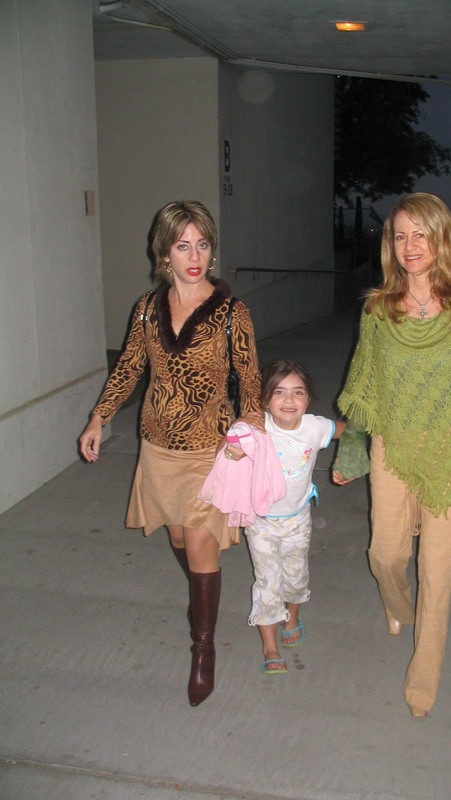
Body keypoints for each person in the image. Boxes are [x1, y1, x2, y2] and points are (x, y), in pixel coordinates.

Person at [332, 192, 451, 717]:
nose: (409, 246)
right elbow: (364, 388)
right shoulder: (378, 310)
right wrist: (351, 453)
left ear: (442, 239)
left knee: (438, 572)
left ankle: (423, 679)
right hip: (392, 446)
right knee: (385, 554)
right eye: (400, 236)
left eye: (420, 235)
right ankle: (397, 605)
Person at [78, 200, 262, 706]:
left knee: (200, 541)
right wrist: (99, 417)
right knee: (179, 537)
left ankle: (203, 647)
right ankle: (202, 598)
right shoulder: (146, 308)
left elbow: (249, 380)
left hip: (212, 448)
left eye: (202, 244)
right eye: (183, 246)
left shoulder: (231, 313)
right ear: (164, 254)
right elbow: (129, 368)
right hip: (159, 446)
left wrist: (249, 430)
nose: (195, 256)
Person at [225, 360, 345, 674]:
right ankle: (270, 645)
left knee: (296, 576)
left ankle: (292, 617)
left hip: (298, 519)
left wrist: (352, 458)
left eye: (298, 392)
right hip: (260, 521)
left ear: (309, 399)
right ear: (265, 399)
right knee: (268, 581)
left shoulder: (315, 427)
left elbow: (350, 431)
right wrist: (233, 449)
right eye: (279, 392)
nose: (289, 400)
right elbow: (232, 444)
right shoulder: (256, 428)